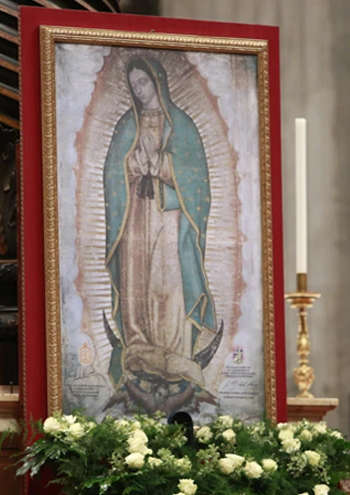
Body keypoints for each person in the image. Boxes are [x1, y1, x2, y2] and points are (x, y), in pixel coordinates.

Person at [103, 56, 217, 404]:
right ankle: (139, 349)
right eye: (134, 85)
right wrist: (135, 164)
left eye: (144, 83)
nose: (139, 90)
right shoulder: (127, 125)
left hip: (169, 216)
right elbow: (112, 172)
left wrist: (163, 165)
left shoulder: (181, 125)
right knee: (137, 280)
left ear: (157, 82)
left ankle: (174, 352)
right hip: (135, 215)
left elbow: (197, 180)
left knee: (168, 281)